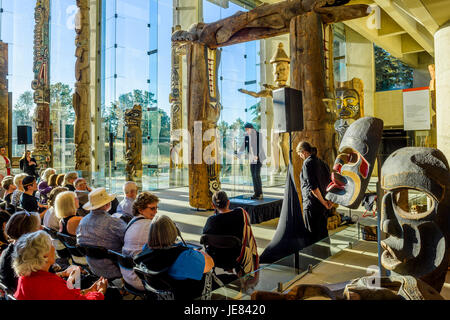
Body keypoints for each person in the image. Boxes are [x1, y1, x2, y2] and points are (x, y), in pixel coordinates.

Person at [134, 215, 214, 299]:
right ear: (175, 232)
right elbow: (211, 264)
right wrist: (198, 252)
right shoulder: (185, 256)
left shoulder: (145, 250)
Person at [12, 230, 107, 300]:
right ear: (44, 255)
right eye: (51, 244)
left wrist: (89, 290)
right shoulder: (51, 285)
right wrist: (100, 292)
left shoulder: (24, 277)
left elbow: (66, 295)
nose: (54, 247)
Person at [203, 190, 259, 282]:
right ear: (228, 202)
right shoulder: (241, 214)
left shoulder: (210, 221)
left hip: (217, 258)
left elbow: (205, 238)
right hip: (237, 257)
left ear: (213, 206)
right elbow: (247, 233)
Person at [76, 187, 126, 279]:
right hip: (115, 268)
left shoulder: (82, 221)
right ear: (107, 204)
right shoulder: (114, 222)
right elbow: (128, 240)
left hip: (93, 267)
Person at [121, 191, 159, 291]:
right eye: (152, 208)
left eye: (156, 208)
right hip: (142, 279)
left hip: (127, 275)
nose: (156, 211)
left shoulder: (132, 222)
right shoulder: (149, 225)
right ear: (140, 210)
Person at [296, 141, 332, 246]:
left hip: (312, 204)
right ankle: (325, 256)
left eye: (299, 154)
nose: (300, 156)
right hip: (323, 204)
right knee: (323, 233)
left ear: (303, 152)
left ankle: (314, 260)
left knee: (311, 235)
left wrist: (324, 202)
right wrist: (328, 201)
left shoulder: (307, 163)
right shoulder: (323, 163)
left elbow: (314, 188)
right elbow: (329, 184)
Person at [0, 211, 42, 292]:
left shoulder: (8, 251)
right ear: (29, 233)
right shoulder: (24, 258)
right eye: (38, 227)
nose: (41, 229)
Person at [235, 123, 266, 200]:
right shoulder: (247, 136)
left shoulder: (259, 134)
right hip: (252, 158)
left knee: (256, 175)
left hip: (259, 157)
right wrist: (238, 154)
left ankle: (260, 194)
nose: (246, 131)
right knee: (253, 175)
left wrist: (257, 155)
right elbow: (243, 146)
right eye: (245, 130)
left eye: (247, 129)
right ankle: (256, 193)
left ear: (251, 128)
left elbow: (260, 145)